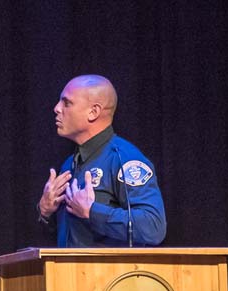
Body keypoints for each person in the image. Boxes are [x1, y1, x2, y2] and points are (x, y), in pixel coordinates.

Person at [37, 75, 166, 247]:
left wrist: (92, 212)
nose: (56, 108)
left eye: (67, 103)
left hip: (109, 273)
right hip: (67, 272)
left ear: (93, 112)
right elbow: (71, 235)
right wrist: (45, 211)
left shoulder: (123, 159)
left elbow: (154, 226)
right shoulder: (70, 164)